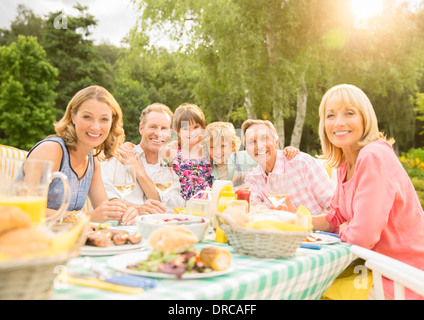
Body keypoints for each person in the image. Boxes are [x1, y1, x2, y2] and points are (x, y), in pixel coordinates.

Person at [312, 84, 424, 299]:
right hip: (377, 268)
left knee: (315, 292)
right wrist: (298, 221)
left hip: (403, 276)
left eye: (349, 113)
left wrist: (347, 229)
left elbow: (362, 237)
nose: (339, 122)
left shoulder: (373, 156)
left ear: (365, 118)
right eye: (330, 115)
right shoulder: (345, 163)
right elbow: (337, 217)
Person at [23, 85, 138, 224]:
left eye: (104, 119)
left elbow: (103, 211)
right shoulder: (52, 150)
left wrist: (127, 211)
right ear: (73, 116)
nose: (96, 127)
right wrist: (86, 217)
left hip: (61, 239)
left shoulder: (92, 162)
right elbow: (27, 209)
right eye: (87, 117)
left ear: (112, 122)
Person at [101, 103, 185, 214]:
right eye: (153, 127)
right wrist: (138, 208)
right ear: (141, 128)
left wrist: (140, 172)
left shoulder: (170, 172)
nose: (158, 134)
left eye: (164, 129)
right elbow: (105, 201)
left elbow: (170, 210)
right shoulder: (120, 158)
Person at [242, 119, 335, 215]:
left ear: (276, 141)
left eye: (264, 138)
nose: (259, 146)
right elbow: (252, 211)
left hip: (314, 228)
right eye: (252, 142)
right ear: (247, 150)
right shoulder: (252, 178)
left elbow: (334, 206)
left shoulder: (302, 163)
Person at [204, 121, 299, 181]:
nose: (218, 151)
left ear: (232, 145)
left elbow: (271, 155)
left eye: (223, 146)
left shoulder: (245, 157)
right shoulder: (208, 167)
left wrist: (287, 150)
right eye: (212, 147)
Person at [161, 103, 213, 201]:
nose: (191, 132)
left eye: (196, 127)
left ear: (203, 127)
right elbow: (150, 150)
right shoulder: (173, 151)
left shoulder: (209, 150)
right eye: (185, 128)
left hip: (206, 203)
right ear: (177, 131)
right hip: (180, 206)